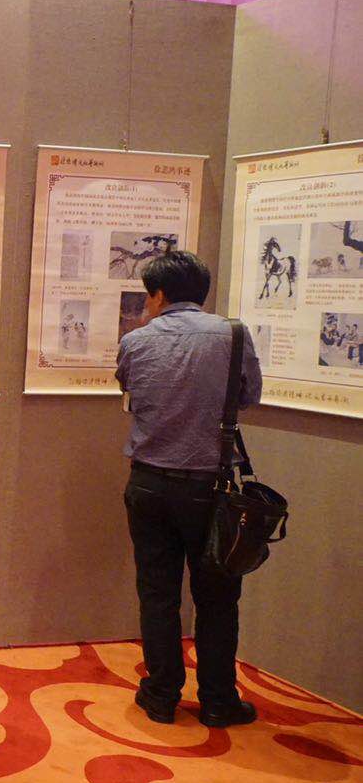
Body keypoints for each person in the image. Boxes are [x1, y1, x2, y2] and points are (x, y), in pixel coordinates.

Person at [116, 250, 261, 729]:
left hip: (148, 483)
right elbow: (248, 396)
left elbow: (128, 390)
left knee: (157, 592)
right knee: (218, 597)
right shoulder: (233, 335)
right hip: (211, 487)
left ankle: (160, 695)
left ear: (158, 294)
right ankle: (218, 700)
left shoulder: (136, 341)